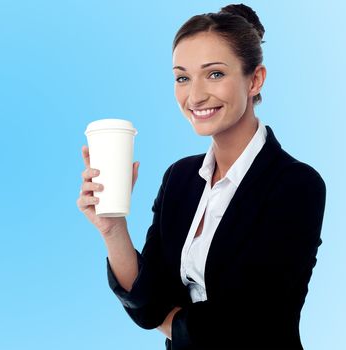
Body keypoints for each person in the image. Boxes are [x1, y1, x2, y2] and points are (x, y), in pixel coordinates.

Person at [77, 3, 326, 349]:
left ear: (254, 79)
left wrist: (162, 318)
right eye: (182, 77)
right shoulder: (180, 178)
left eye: (215, 74)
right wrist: (113, 227)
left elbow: (250, 321)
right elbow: (146, 297)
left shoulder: (296, 185)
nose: (194, 96)